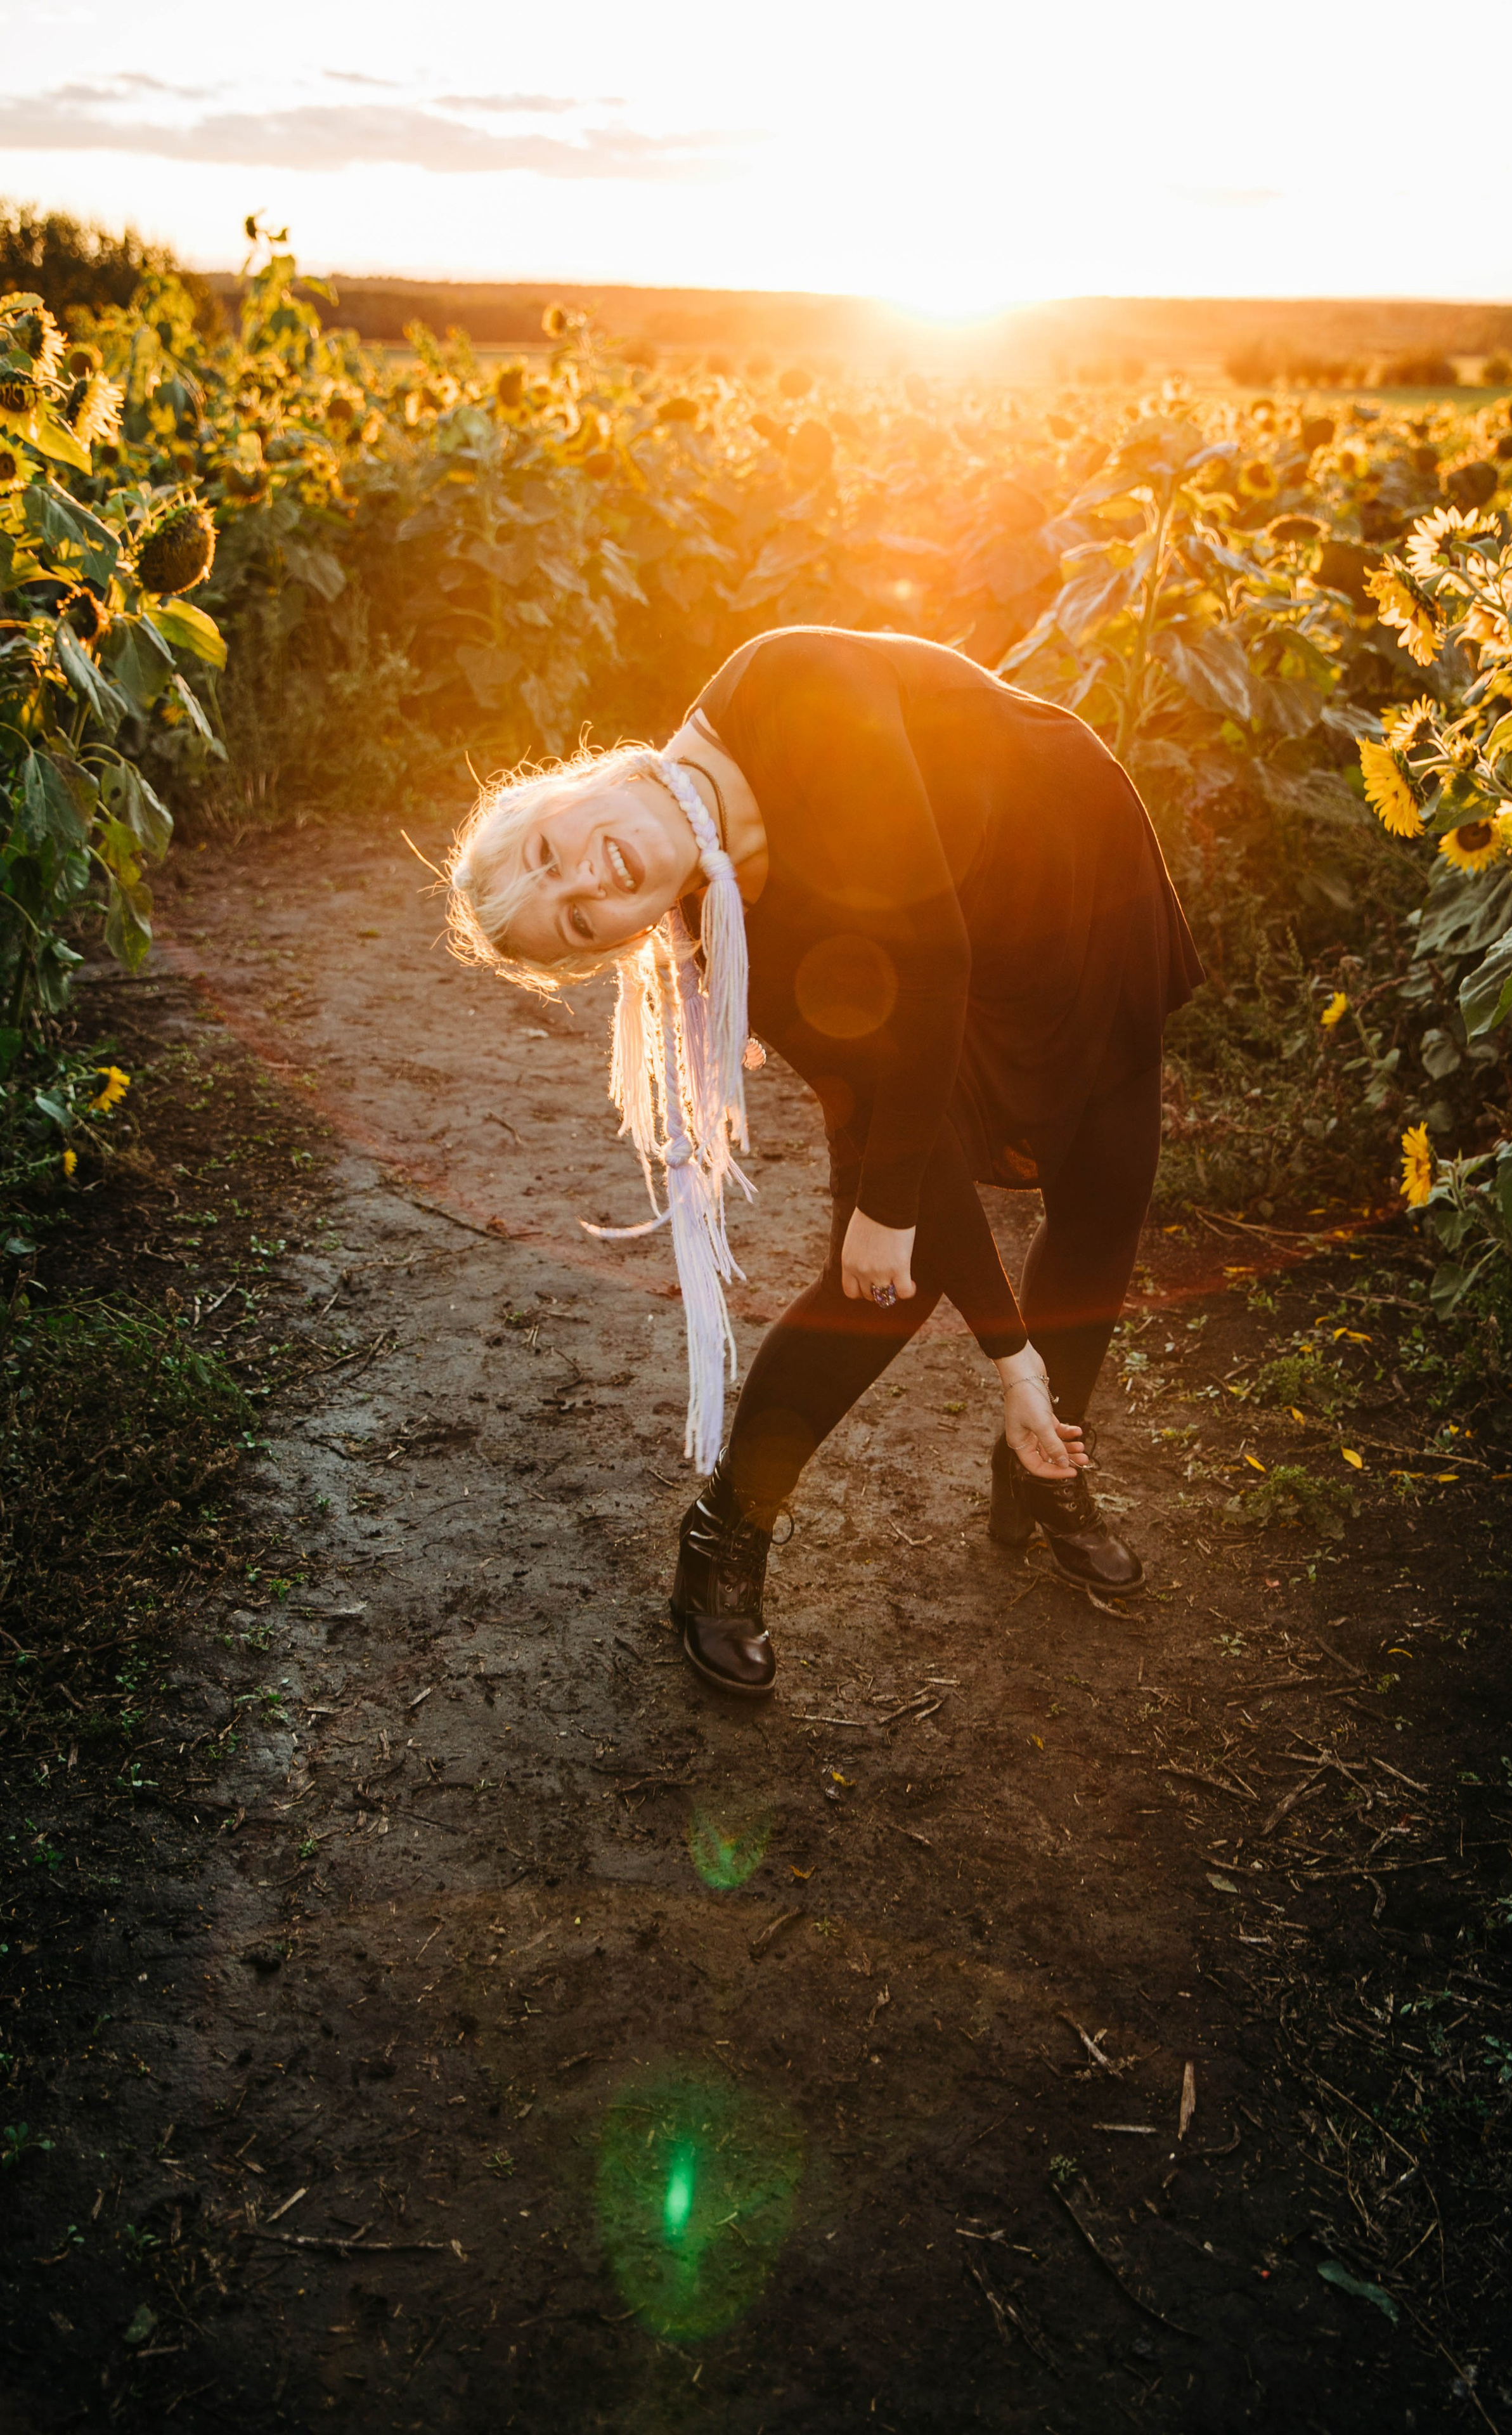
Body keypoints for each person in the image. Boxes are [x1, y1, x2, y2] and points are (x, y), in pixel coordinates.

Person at [445, 626, 1201, 1698]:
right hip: (960, 954)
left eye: (547, 853)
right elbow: (899, 1122)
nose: (587, 879)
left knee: (1107, 1192)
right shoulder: (732, 927)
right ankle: (723, 1542)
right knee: (882, 1274)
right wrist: (1001, 1351)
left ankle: (1043, 1475)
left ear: (572, 788)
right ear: (620, 941)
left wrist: (954, 1283)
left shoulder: (790, 685)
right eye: (577, 921)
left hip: (1069, 875)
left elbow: (933, 955)